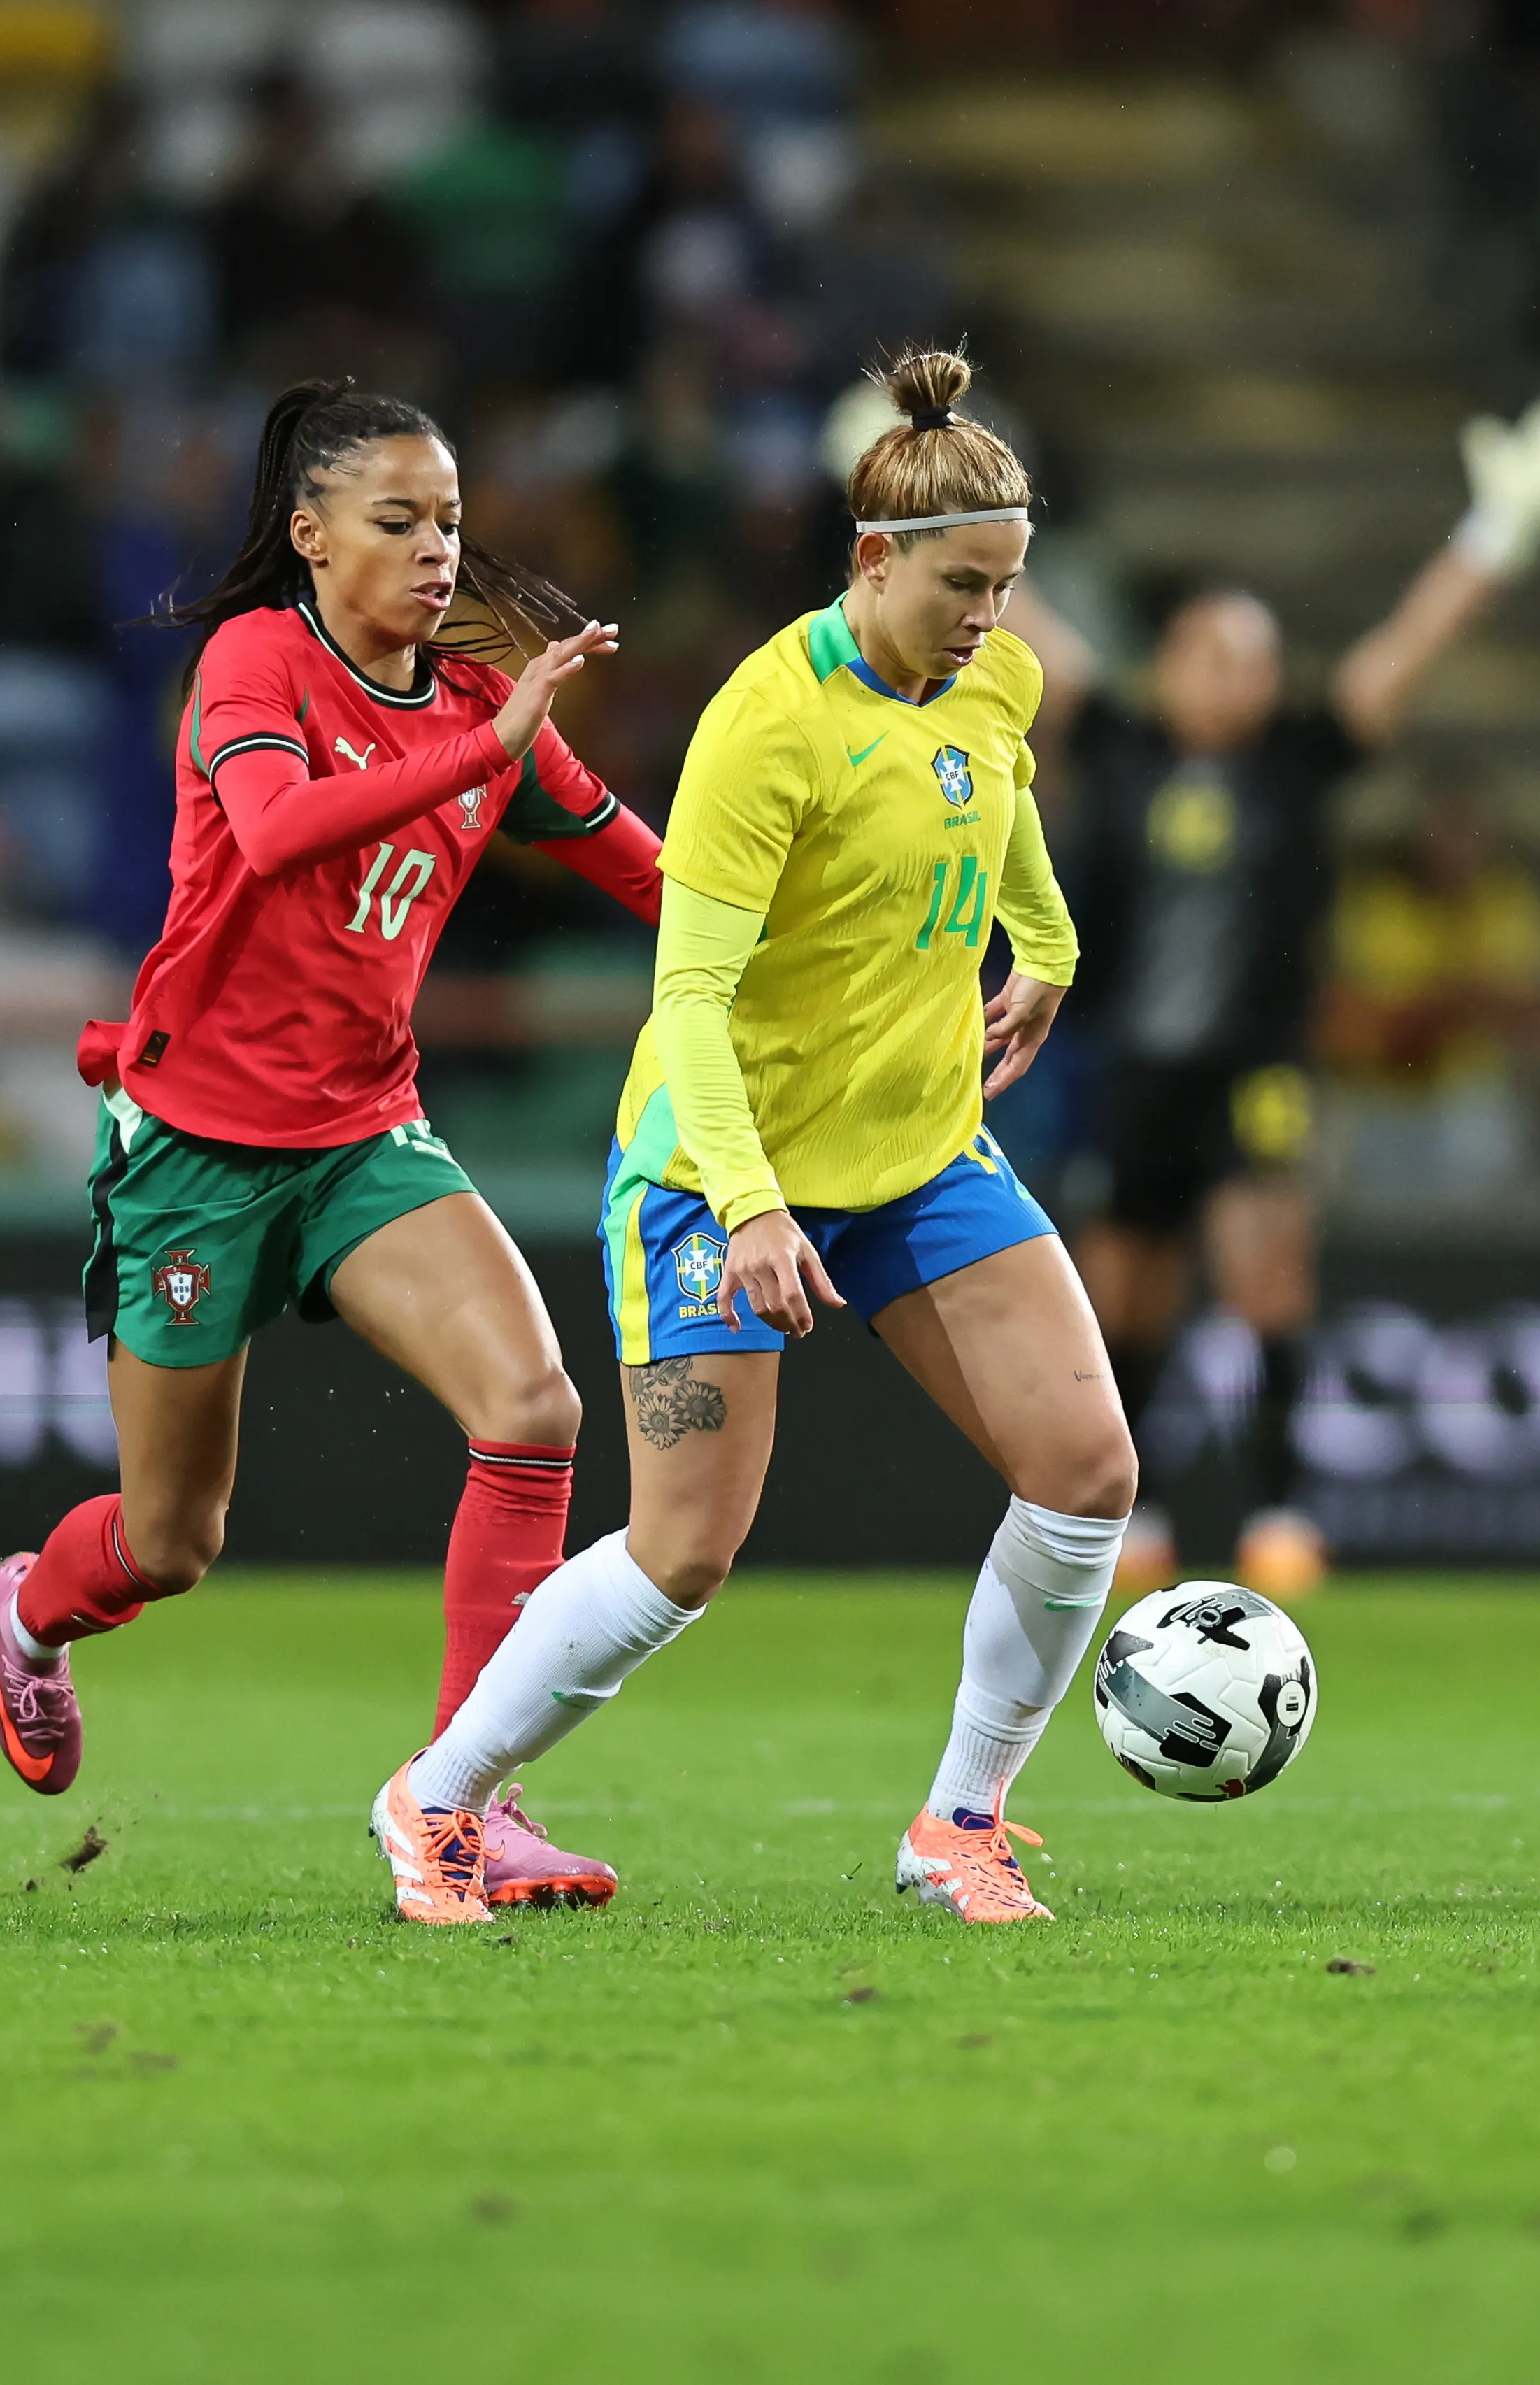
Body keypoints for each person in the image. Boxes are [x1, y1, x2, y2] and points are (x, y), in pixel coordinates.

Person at [372, 350, 1102, 1931]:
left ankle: (961, 1820)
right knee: (684, 1551)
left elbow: (1003, 799)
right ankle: (437, 1798)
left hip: (919, 1154)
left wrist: (1043, 941)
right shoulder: (764, 727)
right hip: (722, 1171)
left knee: (1086, 1469)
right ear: (872, 559)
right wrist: (757, 1207)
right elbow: (688, 996)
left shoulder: (995, 676)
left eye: (1010, 585)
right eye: (964, 584)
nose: (991, 619)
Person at [0, 378, 666, 1918]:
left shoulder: (485, 704)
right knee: (169, 1542)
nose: (438, 553)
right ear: (308, 535)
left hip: (364, 1132)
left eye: (452, 525)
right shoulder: (253, 659)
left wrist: (841, 956)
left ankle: (464, 1799)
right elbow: (285, 828)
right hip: (197, 1150)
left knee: (535, 1405)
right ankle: (34, 1609)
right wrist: (486, 742)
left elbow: (653, 872)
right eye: (398, 521)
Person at [1043, 395, 1540, 1600]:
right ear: (1173, 663)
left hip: (1257, 1062)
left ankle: (1281, 1510)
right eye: (1213, 654)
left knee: (1267, 1271)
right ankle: (1129, 1517)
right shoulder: (1125, 743)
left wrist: (1496, 536)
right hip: (1137, 1061)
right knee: (1122, 1288)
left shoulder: (1302, 756)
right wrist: (905, 509)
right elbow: (1020, 627)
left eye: (1254, 658)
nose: (1237, 677)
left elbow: (1406, 646)